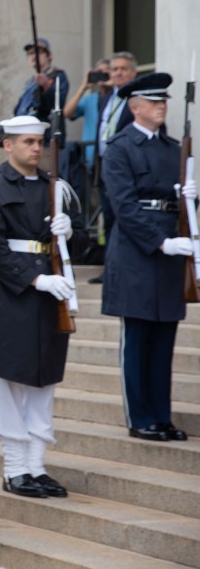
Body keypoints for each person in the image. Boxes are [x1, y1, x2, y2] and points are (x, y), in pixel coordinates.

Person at [0, 115, 87, 499]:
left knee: (44, 381)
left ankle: (36, 466)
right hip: (13, 295)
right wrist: (36, 279)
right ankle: (14, 469)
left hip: (50, 298)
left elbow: (81, 243)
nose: (36, 148)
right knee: (11, 384)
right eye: (28, 142)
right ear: (8, 145)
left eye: (39, 141)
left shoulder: (56, 187)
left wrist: (69, 233)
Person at [101, 73, 194, 442]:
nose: (162, 106)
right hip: (139, 250)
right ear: (135, 107)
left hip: (170, 245)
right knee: (139, 338)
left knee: (164, 337)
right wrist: (160, 242)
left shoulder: (174, 149)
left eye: (164, 101)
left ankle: (161, 415)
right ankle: (140, 417)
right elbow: (123, 207)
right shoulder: (120, 147)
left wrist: (192, 199)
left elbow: (182, 206)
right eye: (154, 102)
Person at [95, 51, 141, 257]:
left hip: (128, 168)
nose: (119, 73)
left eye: (124, 69)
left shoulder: (140, 100)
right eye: (115, 69)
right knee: (108, 216)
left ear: (134, 72)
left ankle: (123, 264)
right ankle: (109, 266)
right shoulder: (105, 99)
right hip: (105, 165)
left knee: (124, 216)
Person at [64, 58, 112, 172]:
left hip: (112, 157)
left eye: (107, 71)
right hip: (91, 159)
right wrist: (83, 87)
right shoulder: (90, 99)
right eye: (99, 72)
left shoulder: (119, 98)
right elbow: (67, 113)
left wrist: (114, 83)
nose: (103, 75)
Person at [14, 38, 70, 128]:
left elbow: (58, 104)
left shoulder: (58, 76)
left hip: (45, 132)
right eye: (30, 53)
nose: (34, 56)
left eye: (38, 52)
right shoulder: (30, 82)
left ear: (49, 55)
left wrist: (47, 86)